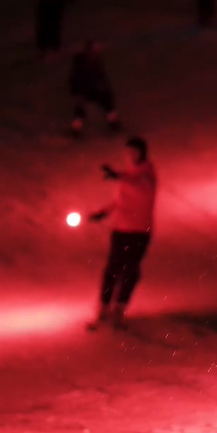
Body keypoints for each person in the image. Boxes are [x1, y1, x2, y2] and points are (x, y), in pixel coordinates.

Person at [87, 137, 157, 330]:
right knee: (112, 269)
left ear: (143, 153)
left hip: (140, 231)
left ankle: (119, 309)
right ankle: (104, 308)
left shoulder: (148, 174)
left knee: (130, 270)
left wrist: (118, 176)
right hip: (121, 229)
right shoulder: (129, 174)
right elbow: (120, 200)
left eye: (135, 152)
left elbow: (139, 184)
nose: (131, 156)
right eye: (129, 152)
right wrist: (103, 212)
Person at [69, 40, 119, 137]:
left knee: (107, 101)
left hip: (95, 89)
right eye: (94, 51)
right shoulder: (80, 63)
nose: (96, 54)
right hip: (82, 90)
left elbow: (101, 76)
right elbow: (75, 79)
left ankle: (113, 122)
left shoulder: (97, 62)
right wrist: (77, 94)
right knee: (80, 109)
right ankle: (75, 130)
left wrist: (105, 87)